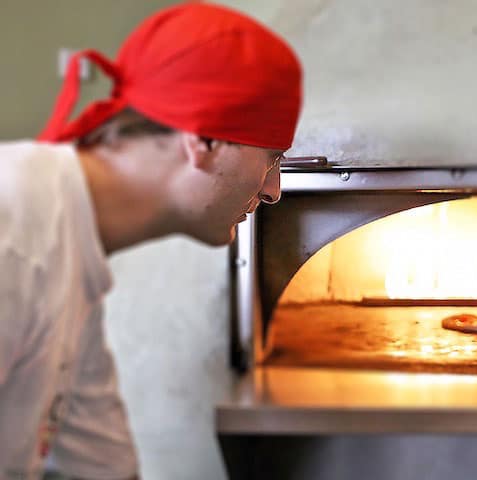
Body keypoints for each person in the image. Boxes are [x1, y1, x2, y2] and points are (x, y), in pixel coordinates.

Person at [0, 2, 302, 478]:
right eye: (272, 157)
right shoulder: (12, 230)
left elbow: (102, 464)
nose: (273, 190)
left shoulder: (75, 255)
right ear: (203, 139)